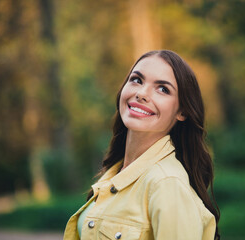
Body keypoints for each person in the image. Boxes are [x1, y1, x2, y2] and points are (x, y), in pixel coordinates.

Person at [63, 50, 220, 240]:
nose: (142, 94)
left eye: (163, 89)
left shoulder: (166, 184)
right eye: (137, 80)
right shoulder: (115, 175)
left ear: (182, 112)